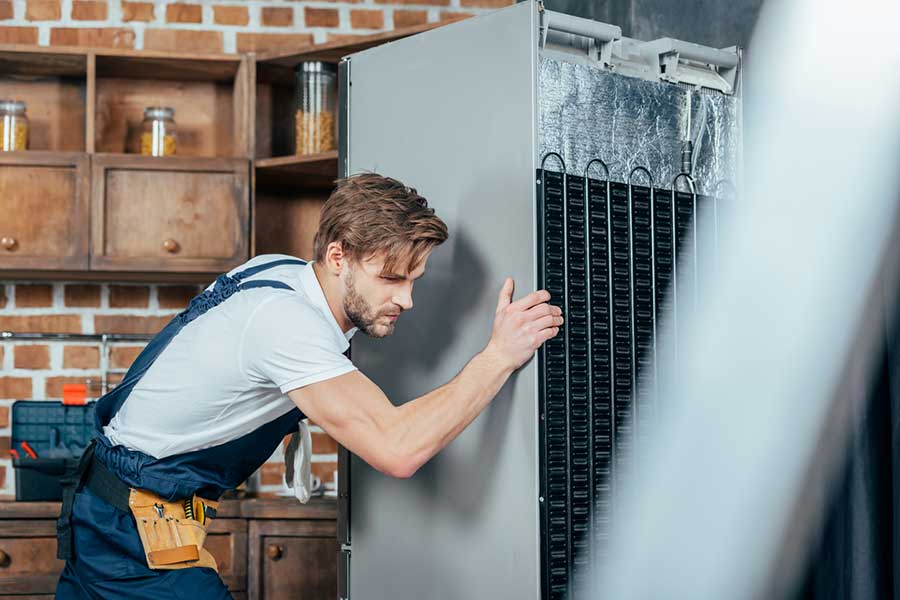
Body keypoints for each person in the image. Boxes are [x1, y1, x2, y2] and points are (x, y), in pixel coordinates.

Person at [55, 173, 563, 598]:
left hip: (105, 509)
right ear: (339, 256)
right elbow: (398, 448)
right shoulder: (286, 323)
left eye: (415, 280)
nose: (407, 300)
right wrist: (498, 356)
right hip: (129, 537)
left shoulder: (281, 272)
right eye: (390, 279)